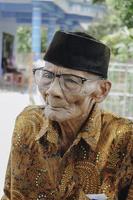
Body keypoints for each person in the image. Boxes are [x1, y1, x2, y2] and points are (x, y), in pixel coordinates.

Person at [1, 31, 133, 200]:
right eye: (48, 76)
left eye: (71, 80)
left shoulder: (125, 139)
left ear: (101, 91)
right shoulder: (28, 123)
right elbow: (9, 194)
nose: (52, 91)